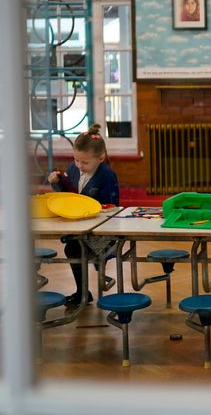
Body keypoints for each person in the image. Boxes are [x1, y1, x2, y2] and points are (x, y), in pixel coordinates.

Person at [47, 123, 120, 306]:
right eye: (76, 160)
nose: (79, 166)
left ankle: (84, 291)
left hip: (103, 233)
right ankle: (84, 289)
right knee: (72, 245)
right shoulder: (74, 169)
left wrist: (88, 208)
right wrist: (57, 183)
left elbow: (112, 207)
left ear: (101, 158)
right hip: (81, 228)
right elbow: (69, 195)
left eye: (84, 162)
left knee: (72, 248)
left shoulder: (107, 176)